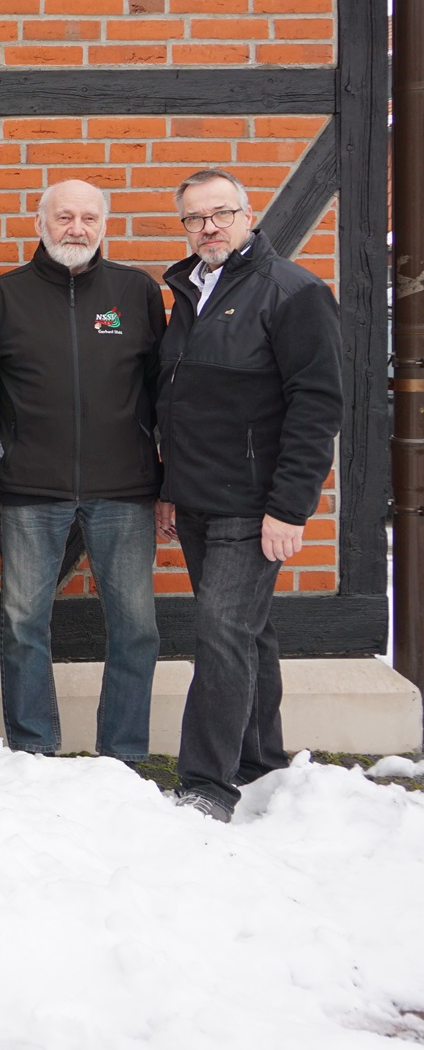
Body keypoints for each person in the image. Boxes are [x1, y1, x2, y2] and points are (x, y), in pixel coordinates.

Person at [155, 169, 342, 822]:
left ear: (248, 215)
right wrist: (170, 488)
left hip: (254, 502)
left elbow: (316, 406)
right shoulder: (191, 289)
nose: (208, 226)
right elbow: (178, 399)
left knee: (221, 633)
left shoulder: (293, 291)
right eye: (194, 217)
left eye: (221, 213)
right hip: (197, 499)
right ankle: (260, 759)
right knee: (247, 632)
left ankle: (207, 783)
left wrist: (290, 506)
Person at [0, 180, 165, 764]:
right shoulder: (2, 296)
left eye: (89, 218)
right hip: (30, 487)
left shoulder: (136, 292)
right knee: (22, 624)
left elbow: (162, 390)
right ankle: (33, 749)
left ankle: (123, 754)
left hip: (126, 489)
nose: (77, 228)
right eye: (64, 217)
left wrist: (169, 481)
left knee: (136, 627)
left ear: (104, 225)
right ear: (39, 223)